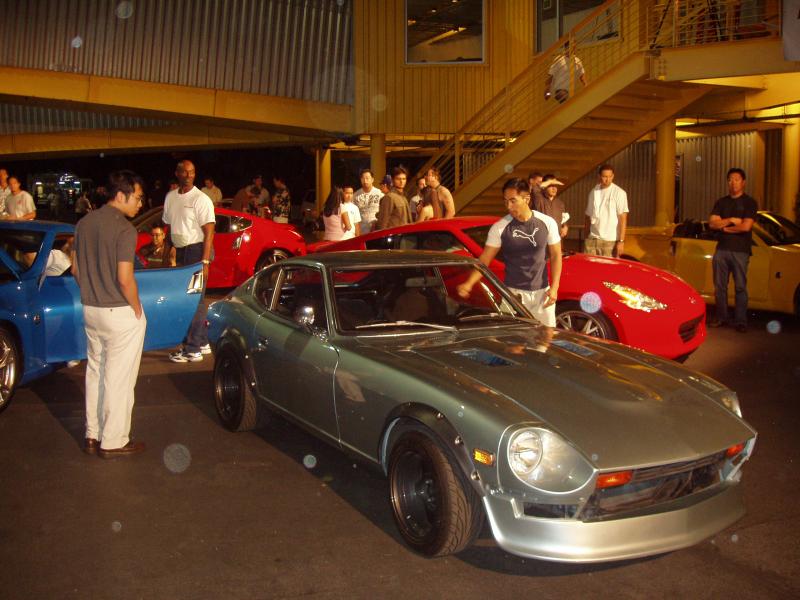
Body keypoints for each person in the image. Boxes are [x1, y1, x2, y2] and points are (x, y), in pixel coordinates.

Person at [71, 170, 146, 458]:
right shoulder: (125, 230)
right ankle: (113, 440)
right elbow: (125, 278)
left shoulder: (83, 223)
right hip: (119, 313)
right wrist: (137, 308)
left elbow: (76, 270)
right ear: (121, 195)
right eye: (137, 198)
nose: (139, 204)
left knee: (96, 371)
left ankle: (93, 433)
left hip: (91, 309)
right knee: (119, 378)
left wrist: (92, 290)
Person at [457, 178, 562, 327]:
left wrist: (555, 288)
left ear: (526, 199)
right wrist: (468, 283)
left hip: (542, 295)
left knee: (544, 343)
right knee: (514, 346)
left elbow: (556, 255)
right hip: (513, 295)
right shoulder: (500, 228)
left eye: (513, 201)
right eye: (505, 201)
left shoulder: (547, 222)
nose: (508, 206)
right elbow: (484, 260)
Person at [163, 160, 215, 362]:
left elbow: (209, 232)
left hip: (196, 252)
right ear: (177, 173)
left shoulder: (201, 199)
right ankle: (201, 342)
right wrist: (166, 255)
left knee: (194, 299)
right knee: (190, 299)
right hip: (181, 252)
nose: (189, 175)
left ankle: (191, 349)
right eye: (185, 172)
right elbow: (168, 229)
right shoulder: (170, 197)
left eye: (192, 172)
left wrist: (205, 261)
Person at [707, 168, 758, 332]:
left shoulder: (749, 202)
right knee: (720, 287)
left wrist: (725, 228)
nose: (733, 182)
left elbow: (746, 226)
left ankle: (740, 321)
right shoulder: (721, 202)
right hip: (721, 249)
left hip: (740, 251)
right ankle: (722, 317)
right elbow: (712, 223)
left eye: (737, 179)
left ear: (743, 182)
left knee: (740, 287)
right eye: (730, 179)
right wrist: (731, 220)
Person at [583, 164, 628, 257]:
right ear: (599, 176)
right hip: (593, 239)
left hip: (610, 241)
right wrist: (586, 237)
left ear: (613, 176)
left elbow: (623, 218)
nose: (607, 179)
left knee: (608, 270)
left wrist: (621, 241)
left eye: (609, 176)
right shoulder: (593, 192)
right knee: (589, 269)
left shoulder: (619, 193)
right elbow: (588, 216)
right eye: (604, 176)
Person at [534, 175, 569, 239]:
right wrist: (550, 181)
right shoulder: (539, 199)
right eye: (551, 186)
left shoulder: (560, 203)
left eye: (555, 186)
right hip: (541, 237)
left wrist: (565, 226)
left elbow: (563, 218)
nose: (554, 188)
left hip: (556, 237)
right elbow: (535, 188)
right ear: (545, 186)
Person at [353, 168, 383, 234]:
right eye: (363, 178)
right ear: (360, 180)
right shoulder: (355, 195)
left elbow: (384, 212)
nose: (365, 180)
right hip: (361, 231)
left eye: (367, 178)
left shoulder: (379, 194)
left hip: (376, 230)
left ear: (372, 179)